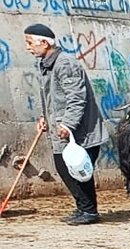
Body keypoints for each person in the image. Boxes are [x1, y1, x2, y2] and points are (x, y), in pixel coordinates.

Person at [23, 23, 107, 225]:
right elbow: (52, 97)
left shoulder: (65, 64)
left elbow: (77, 98)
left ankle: (89, 211)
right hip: (62, 130)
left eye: (30, 43)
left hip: (81, 132)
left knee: (77, 169)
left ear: (44, 43)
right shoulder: (45, 64)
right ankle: (83, 208)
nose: (28, 47)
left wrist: (68, 124)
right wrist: (45, 117)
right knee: (64, 167)